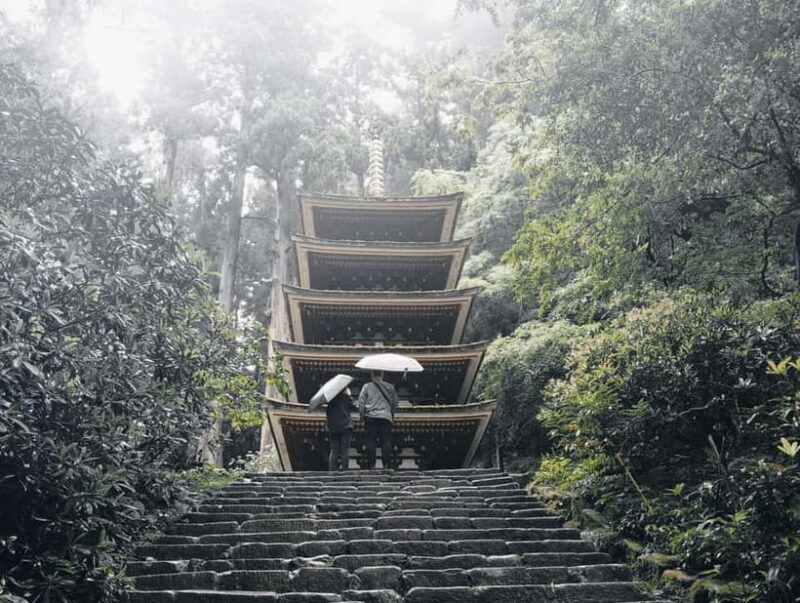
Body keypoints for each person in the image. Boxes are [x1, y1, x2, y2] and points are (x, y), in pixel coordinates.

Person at [357, 371, 398, 470]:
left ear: (372, 375)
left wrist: (361, 415)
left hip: (371, 416)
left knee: (371, 441)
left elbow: (361, 402)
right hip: (385, 417)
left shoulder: (366, 386)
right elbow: (394, 403)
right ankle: (386, 464)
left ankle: (372, 464)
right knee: (386, 441)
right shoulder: (390, 387)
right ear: (382, 375)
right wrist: (391, 414)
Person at [326, 387, 356, 471]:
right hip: (345, 426)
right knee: (344, 450)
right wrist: (349, 395)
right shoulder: (346, 398)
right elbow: (354, 406)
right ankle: (344, 469)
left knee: (334, 450)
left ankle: (332, 469)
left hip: (333, 427)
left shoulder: (330, 400)